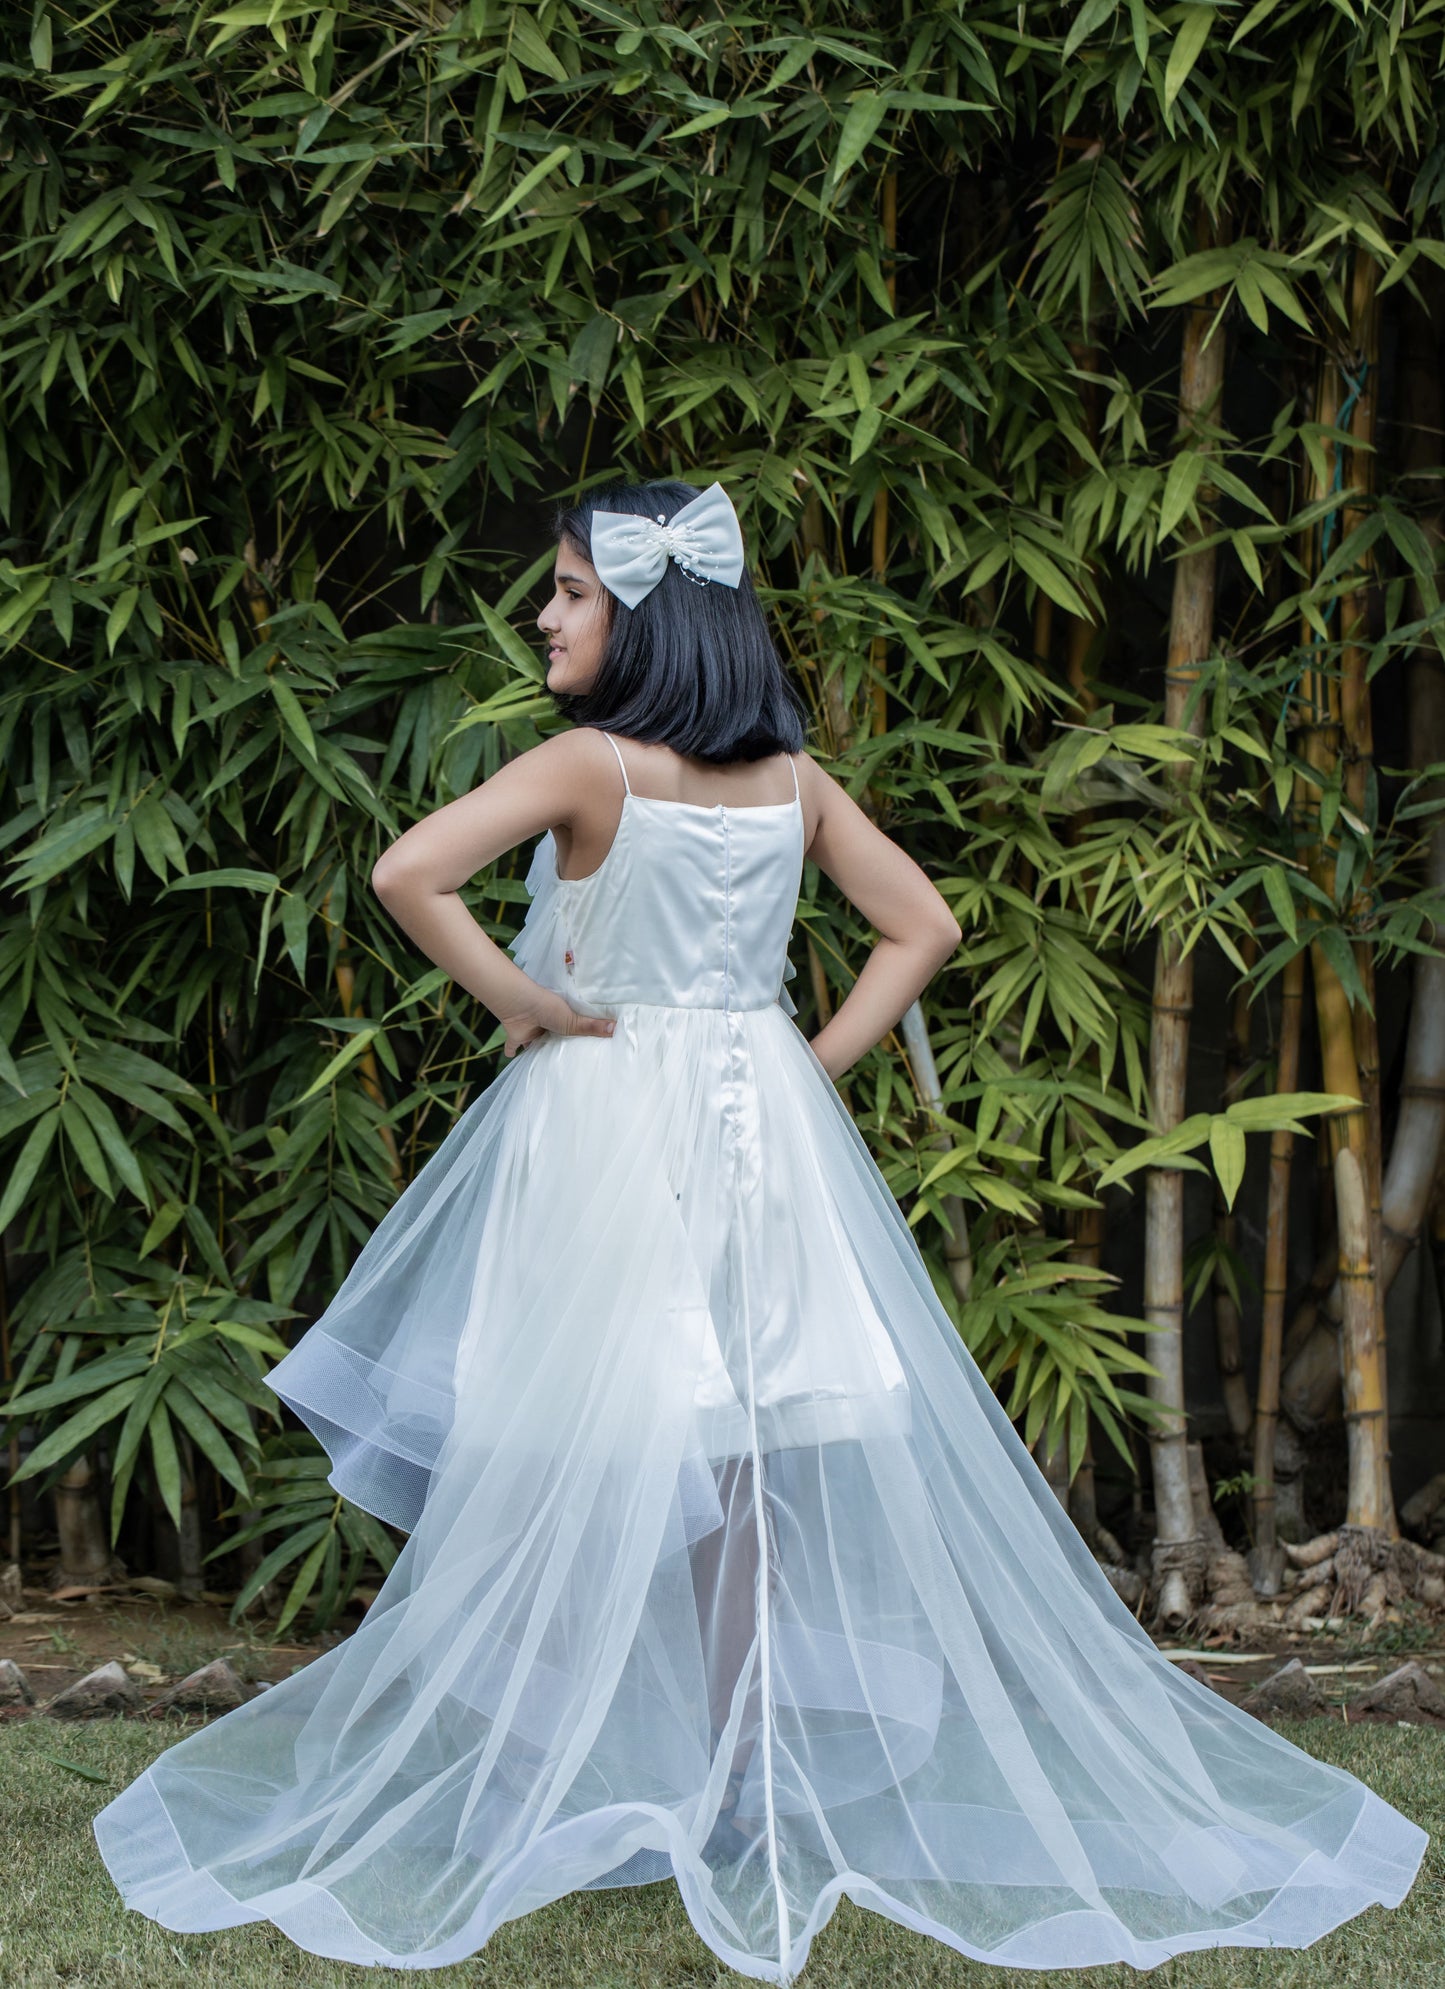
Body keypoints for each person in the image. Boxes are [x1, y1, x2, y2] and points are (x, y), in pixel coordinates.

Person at [92, 477, 1427, 1984]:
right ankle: (734, 1767)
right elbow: (921, 923)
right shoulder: (790, 782)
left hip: (604, 1126)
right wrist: (807, 1060)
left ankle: (550, 1762)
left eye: (572, 593)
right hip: (757, 1133)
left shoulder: (591, 765)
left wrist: (528, 1003)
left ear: (643, 619)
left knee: (564, 1438)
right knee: (732, 1459)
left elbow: (410, 870)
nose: (544, 613)